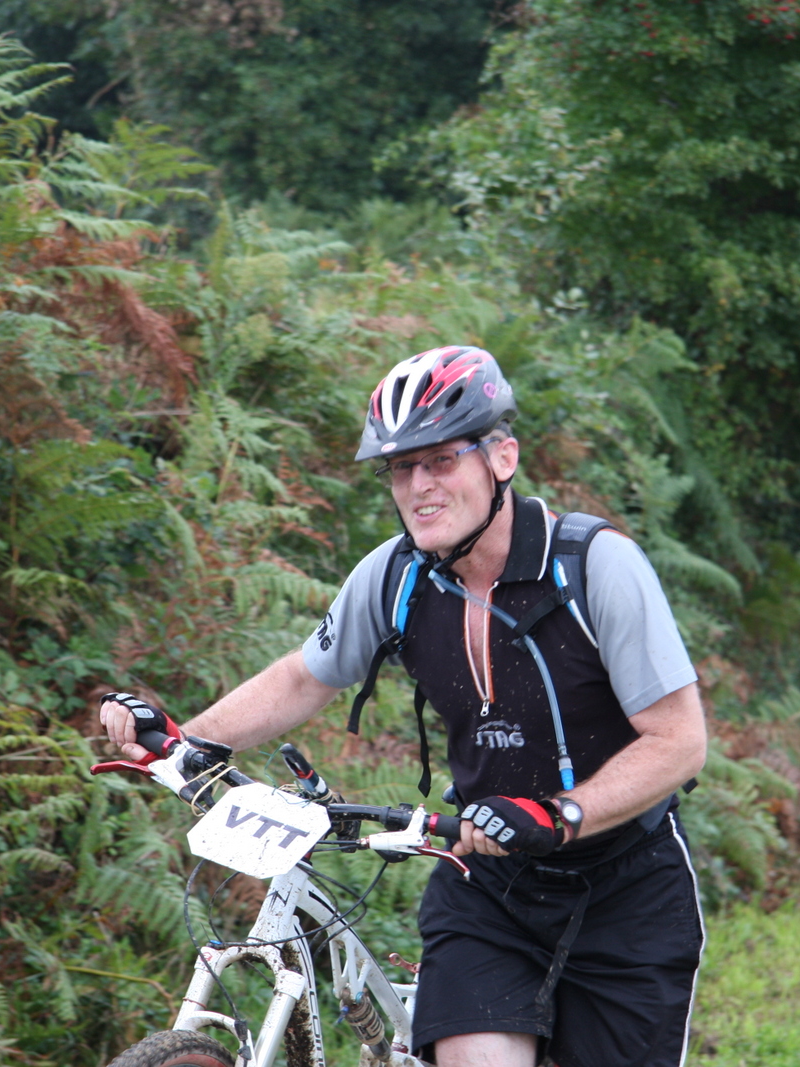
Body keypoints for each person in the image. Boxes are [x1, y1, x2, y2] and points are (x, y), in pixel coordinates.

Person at [102, 345, 708, 1067]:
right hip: (489, 884)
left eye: (442, 460)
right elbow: (304, 677)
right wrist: (184, 739)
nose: (419, 486)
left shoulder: (593, 565)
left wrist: (560, 813)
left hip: (628, 890)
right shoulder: (395, 577)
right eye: (400, 467)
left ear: (502, 458)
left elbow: (678, 741)